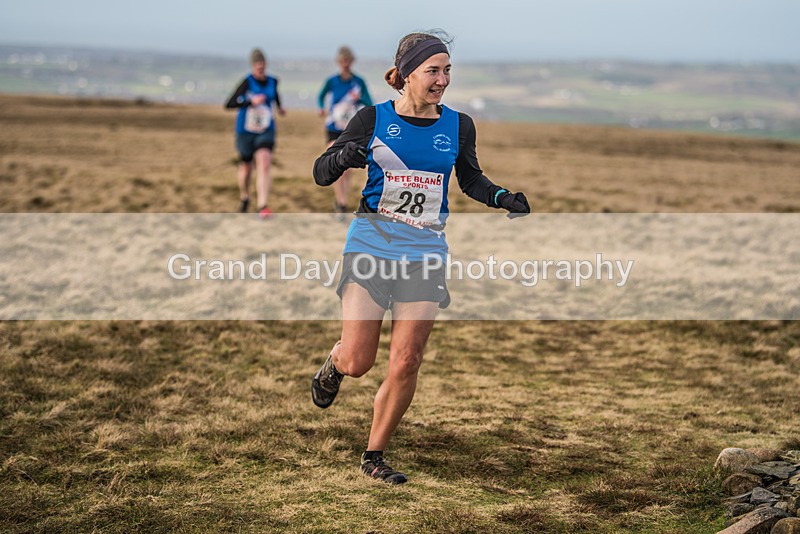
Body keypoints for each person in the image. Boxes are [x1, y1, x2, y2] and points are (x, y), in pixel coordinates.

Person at [310, 31, 530, 484]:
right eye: (433, 70)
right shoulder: (372, 118)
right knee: (359, 361)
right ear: (407, 73)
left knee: (407, 361)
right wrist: (345, 156)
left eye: (447, 70)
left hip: (425, 252)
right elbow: (320, 171)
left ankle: (374, 455)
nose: (443, 80)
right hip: (370, 246)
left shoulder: (458, 125)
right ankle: (335, 364)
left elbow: (470, 179)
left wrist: (502, 197)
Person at [225, 48, 286, 218]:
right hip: (245, 130)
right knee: (246, 167)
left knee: (264, 162)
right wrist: (249, 101)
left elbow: (275, 97)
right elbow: (229, 103)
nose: (260, 66)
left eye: (262, 63)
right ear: (252, 66)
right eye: (256, 64)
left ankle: (262, 206)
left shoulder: (273, 81)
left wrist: (280, 108)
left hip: (266, 129)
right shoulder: (246, 82)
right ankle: (245, 196)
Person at [317, 46, 373, 220]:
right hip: (334, 127)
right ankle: (340, 202)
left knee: (347, 169)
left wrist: (359, 98)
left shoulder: (358, 81)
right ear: (338, 62)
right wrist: (321, 108)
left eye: (348, 61)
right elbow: (321, 96)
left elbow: (369, 102)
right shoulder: (332, 81)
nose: (345, 64)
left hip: (351, 129)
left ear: (352, 61)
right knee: (335, 162)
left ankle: (342, 200)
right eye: (342, 61)